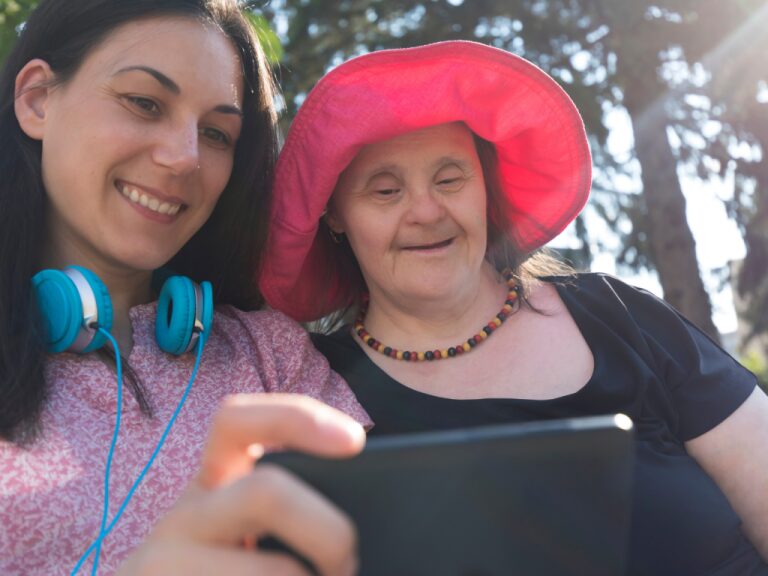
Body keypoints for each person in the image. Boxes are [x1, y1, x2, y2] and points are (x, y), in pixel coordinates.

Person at [259, 41, 768, 575]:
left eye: (450, 178)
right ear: (335, 217)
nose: (426, 211)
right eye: (385, 191)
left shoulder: (619, 315)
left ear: (484, 187)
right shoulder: (308, 388)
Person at [0, 1, 369, 574]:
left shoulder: (272, 357)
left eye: (217, 134)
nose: (184, 158)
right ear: (38, 99)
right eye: (144, 103)